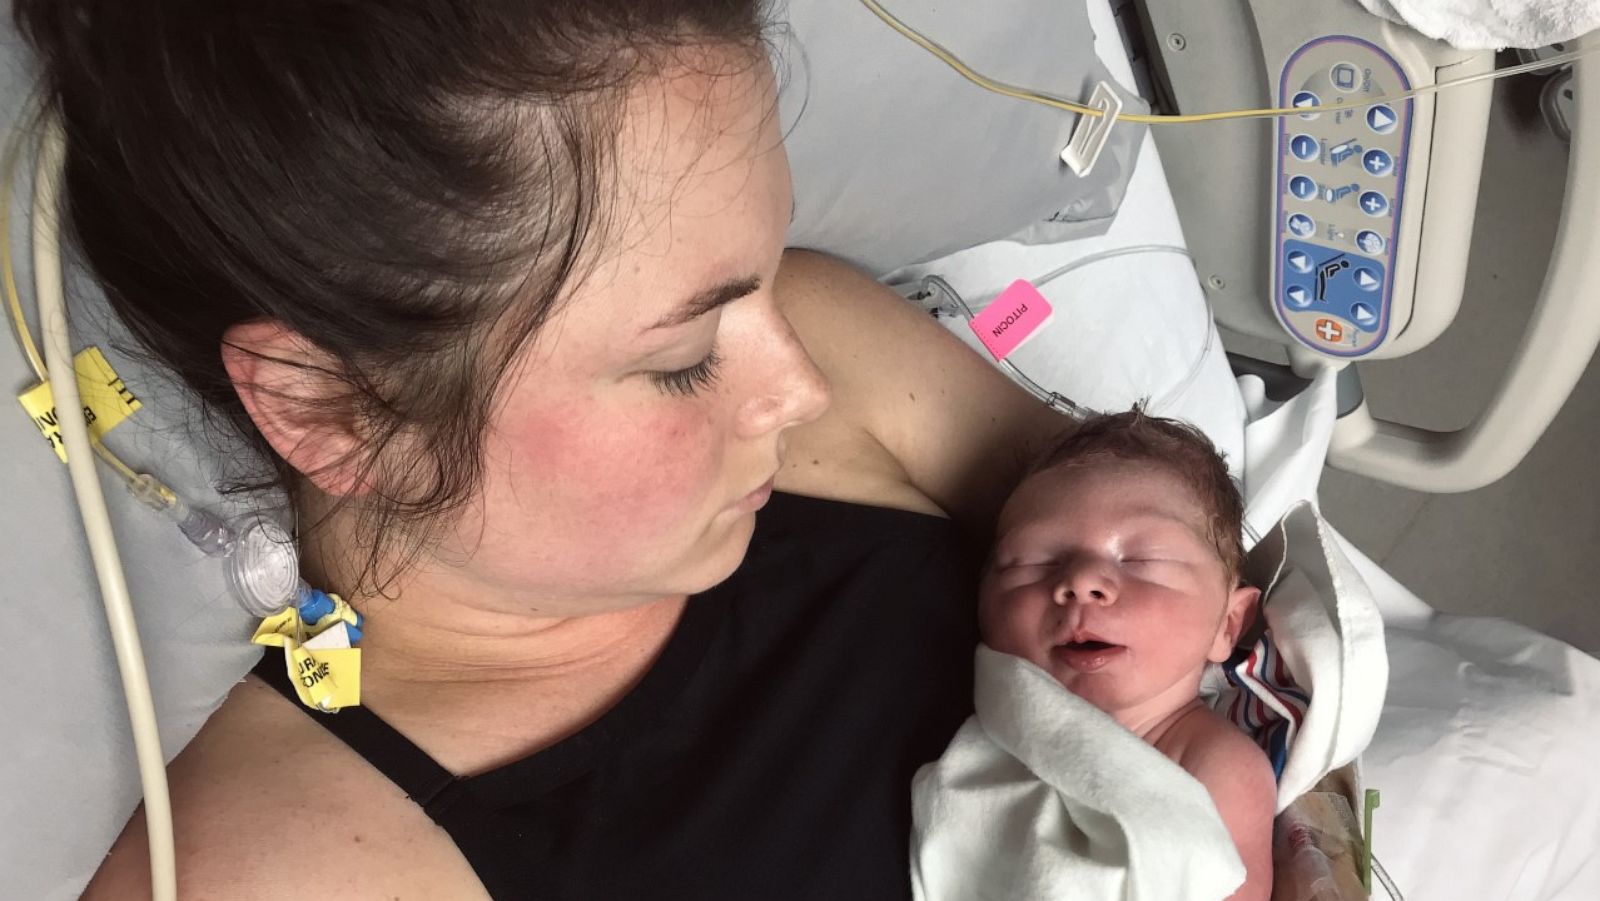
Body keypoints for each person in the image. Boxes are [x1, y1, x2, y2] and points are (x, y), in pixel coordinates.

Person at [15, 2, 1069, 897]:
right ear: (336, 411)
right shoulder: (297, 865)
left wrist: (1157, 492)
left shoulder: (823, 340)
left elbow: (1171, 527)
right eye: (685, 357)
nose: (799, 386)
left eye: (765, 268)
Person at [979, 410, 1276, 900]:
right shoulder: (983, 715)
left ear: (1226, 624)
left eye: (1141, 560)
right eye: (1033, 560)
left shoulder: (1215, 763)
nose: (1080, 582)